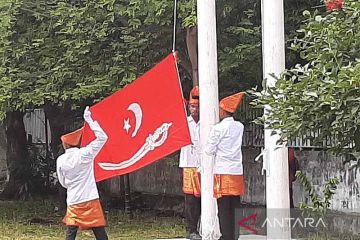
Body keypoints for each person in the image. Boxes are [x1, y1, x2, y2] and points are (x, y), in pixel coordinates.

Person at [57, 106, 109, 240]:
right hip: (90, 197)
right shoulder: (85, 154)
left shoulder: (61, 160)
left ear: (65, 145)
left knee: (71, 232)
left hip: (74, 198)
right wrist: (90, 120)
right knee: (99, 231)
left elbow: (63, 182)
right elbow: (103, 137)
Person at [205, 92, 246, 240]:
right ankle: (234, 235)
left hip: (222, 171)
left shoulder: (218, 129)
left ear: (223, 110)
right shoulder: (239, 126)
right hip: (236, 171)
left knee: (223, 207)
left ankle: (226, 235)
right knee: (235, 205)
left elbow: (209, 150)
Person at [179, 86, 202, 240]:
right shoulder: (183, 122)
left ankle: (201, 226)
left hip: (203, 164)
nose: (194, 109)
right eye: (192, 106)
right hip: (188, 163)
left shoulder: (206, 122)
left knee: (203, 198)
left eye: (196, 107)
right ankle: (191, 229)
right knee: (190, 199)